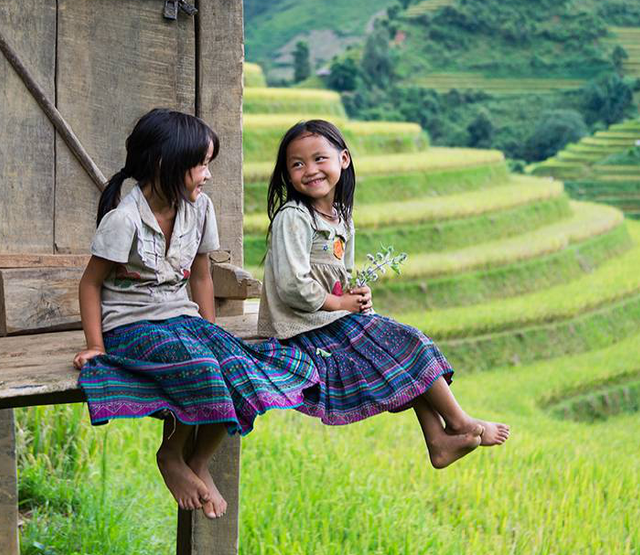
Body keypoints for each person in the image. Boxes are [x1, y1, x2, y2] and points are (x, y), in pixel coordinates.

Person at [73, 108, 319, 519]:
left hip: (182, 317)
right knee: (201, 366)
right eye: (200, 164)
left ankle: (199, 460)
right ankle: (171, 456)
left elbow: (201, 276)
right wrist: (95, 346)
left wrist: (210, 329)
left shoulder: (200, 209)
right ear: (163, 164)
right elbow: (90, 283)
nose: (207, 174)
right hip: (132, 325)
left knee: (236, 365)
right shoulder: (123, 220)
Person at [258, 119, 509, 469]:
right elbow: (292, 285)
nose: (309, 170)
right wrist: (340, 303)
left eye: (319, 159)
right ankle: (459, 422)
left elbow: (341, 275)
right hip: (300, 329)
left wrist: (356, 297)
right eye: (297, 164)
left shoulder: (340, 218)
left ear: (343, 160)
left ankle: (438, 441)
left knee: (403, 349)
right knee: (405, 344)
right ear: (286, 174)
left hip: (330, 319)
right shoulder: (294, 217)